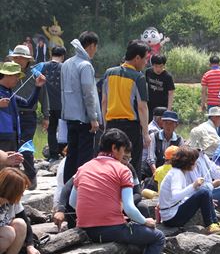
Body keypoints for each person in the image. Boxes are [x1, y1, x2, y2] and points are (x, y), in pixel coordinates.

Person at [70, 128, 164, 254]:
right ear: (115, 148)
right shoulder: (122, 170)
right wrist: (145, 221)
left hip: (85, 229)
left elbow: (71, 202)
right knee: (157, 237)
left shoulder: (83, 168)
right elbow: (129, 207)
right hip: (110, 229)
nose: (123, 155)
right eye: (123, 150)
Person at [158, 146, 220, 234]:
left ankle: (215, 224)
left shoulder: (177, 172)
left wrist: (206, 201)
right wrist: (193, 186)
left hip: (172, 214)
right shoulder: (177, 174)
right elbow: (176, 196)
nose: (196, 164)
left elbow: (179, 198)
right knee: (204, 192)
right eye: (194, 162)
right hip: (172, 217)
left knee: (204, 193)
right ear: (188, 162)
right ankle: (210, 225)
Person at [103, 39, 151, 176]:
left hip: (111, 124)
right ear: (137, 58)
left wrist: (105, 124)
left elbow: (104, 102)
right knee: (131, 162)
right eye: (145, 59)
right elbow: (142, 107)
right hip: (131, 127)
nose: (146, 62)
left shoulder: (109, 73)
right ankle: (131, 191)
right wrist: (146, 133)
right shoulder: (138, 77)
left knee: (110, 160)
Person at [61, 32, 100, 184]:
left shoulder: (67, 63)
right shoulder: (85, 66)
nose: (95, 51)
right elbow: (88, 94)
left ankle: (67, 190)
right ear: (91, 46)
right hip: (84, 119)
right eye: (95, 47)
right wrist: (94, 118)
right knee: (84, 156)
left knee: (71, 154)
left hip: (70, 117)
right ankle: (81, 189)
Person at [9, 45, 50, 190]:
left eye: (22, 58)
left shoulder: (35, 74)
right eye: (16, 57)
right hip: (10, 114)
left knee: (25, 146)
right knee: (11, 146)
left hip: (28, 115)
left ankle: (31, 176)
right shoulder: (7, 73)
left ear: (27, 60)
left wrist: (46, 116)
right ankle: (12, 179)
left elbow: (43, 96)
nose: (19, 60)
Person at [0, 168, 43, 254]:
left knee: (20, 224)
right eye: (21, 190)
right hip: (4, 237)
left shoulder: (13, 200)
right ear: (10, 190)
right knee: (9, 233)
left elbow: (24, 220)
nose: (23, 194)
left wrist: (30, 245)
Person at [0, 62, 46, 158]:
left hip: (12, 136)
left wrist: (37, 87)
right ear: (7, 75)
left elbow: (28, 104)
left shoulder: (10, 93)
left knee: (12, 167)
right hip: (2, 138)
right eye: (16, 76)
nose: (18, 79)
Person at [39, 46, 66, 161]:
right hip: (62, 105)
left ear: (51, 54)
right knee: (65, 130)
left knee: (51, 130)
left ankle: (53, 155)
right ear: (63, 56)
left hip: (48, 105)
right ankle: (65, 152)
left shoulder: (44, 66)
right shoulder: (64, 67)